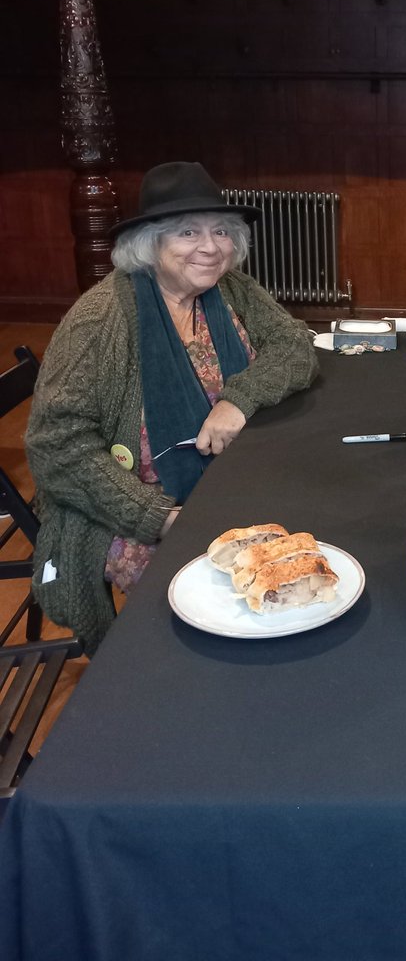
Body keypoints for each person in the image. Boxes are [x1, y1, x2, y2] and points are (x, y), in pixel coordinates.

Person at [26, 162, 319, 653]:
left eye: (222, 231)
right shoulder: (100, 319)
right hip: (126, 506)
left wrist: (237, 400)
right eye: (188, 232)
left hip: (227, 479)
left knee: (297, 565)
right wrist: (161, 517)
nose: (211, 246)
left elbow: (294, 346)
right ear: (149, 243)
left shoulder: (229, 290)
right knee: (218, 610)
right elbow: (57, 447)